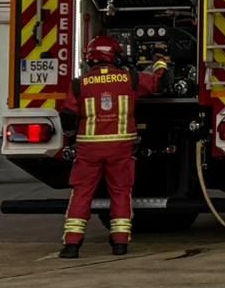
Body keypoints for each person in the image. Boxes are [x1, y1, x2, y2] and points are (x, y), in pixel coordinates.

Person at [59, 34, 167, 258]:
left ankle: (72, 245)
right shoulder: (130, 79)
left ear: (90, 59)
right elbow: (158, 84)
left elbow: (68, 117)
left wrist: (73, 136)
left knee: (81, 194)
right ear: (115, 58)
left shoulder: (80, 84)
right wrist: (161, 63)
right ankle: (119, 243)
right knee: (120, 192)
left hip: (88, 150)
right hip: (121, 148)